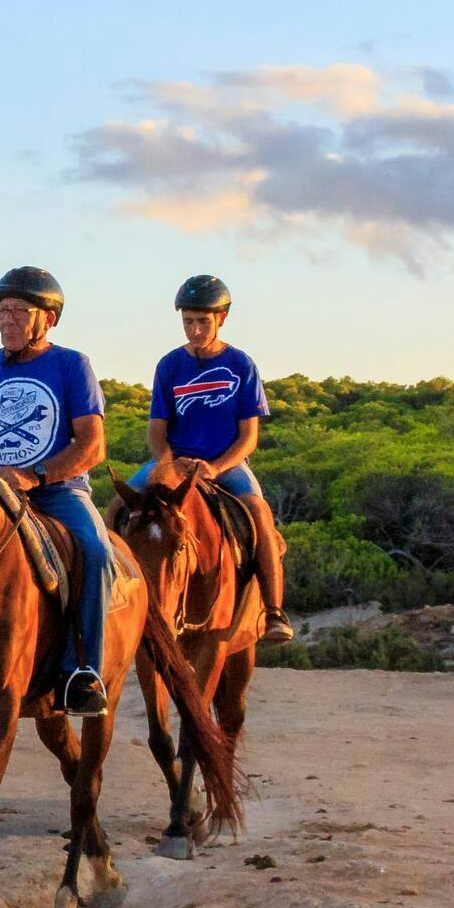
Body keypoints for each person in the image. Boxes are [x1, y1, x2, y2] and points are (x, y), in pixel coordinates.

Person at [0, 265, 112, 716]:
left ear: (49, 319)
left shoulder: (71, 365)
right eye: (1, 311)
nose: (7, 319)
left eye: (19, 310)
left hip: (57, 493)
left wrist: (35, 474)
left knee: (96, 552)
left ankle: (83, 672)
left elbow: (92, 444)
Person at [144, 272, 292, 639]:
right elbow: (156, 432)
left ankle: (273, 610)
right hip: (175, 462)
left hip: (224, 464)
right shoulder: (169, 366)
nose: (194, 330)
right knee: (121, 506)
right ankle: (120, 600)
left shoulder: (240, 365)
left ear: (222, 318)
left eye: (202, 322)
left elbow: (249, 436)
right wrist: (171, 461)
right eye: (188, 322)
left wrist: (217, 466)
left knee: (258, 512)